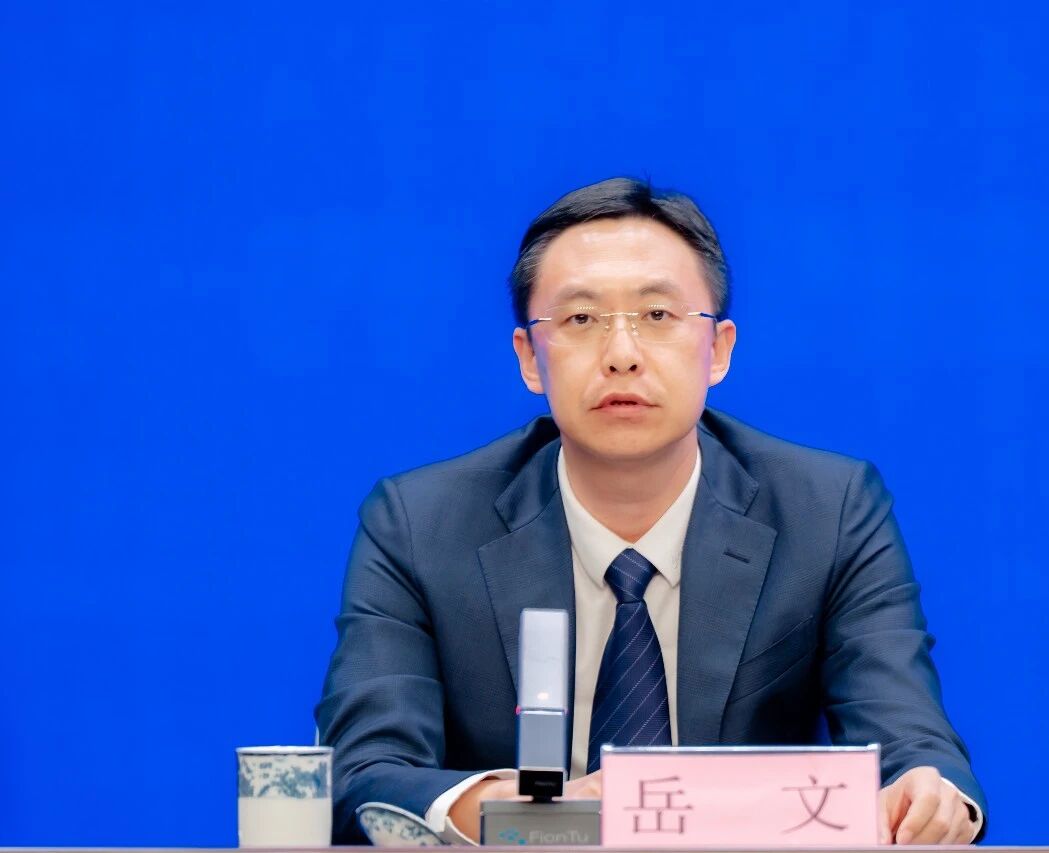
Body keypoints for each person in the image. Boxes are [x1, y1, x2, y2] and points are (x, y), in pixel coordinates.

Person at [316, 177, 987, 845]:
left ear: (718, 349)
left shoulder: (829, 511)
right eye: (581, 320)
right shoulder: (419, 525)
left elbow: (911, 739)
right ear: (529, 358)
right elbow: (363, 773)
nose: (622, 355)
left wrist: (930, 795)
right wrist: (528, 809)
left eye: (658, 316)